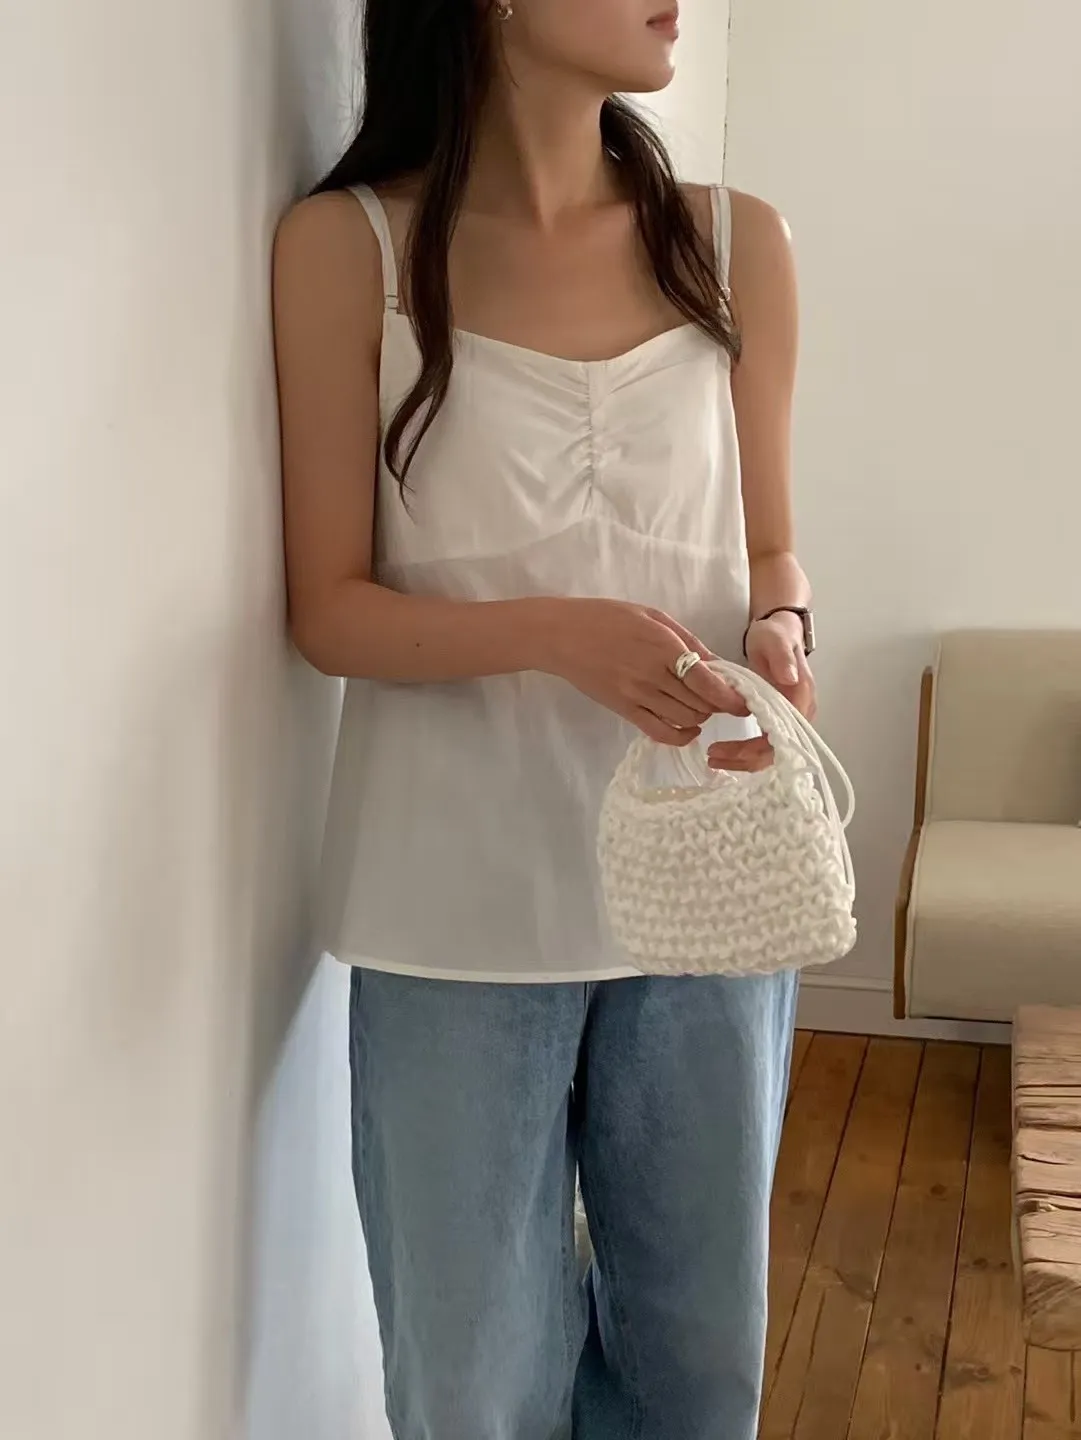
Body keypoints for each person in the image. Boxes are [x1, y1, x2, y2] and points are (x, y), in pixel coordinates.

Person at [273, 2, 815, 1435]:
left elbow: (773, 549)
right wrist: (555, 636)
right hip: (454, 901)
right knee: (473, 1387)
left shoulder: (734, 241)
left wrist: (783, 631)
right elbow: (327, 609)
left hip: (708, 885)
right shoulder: (348, 251)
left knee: (698, 1368)